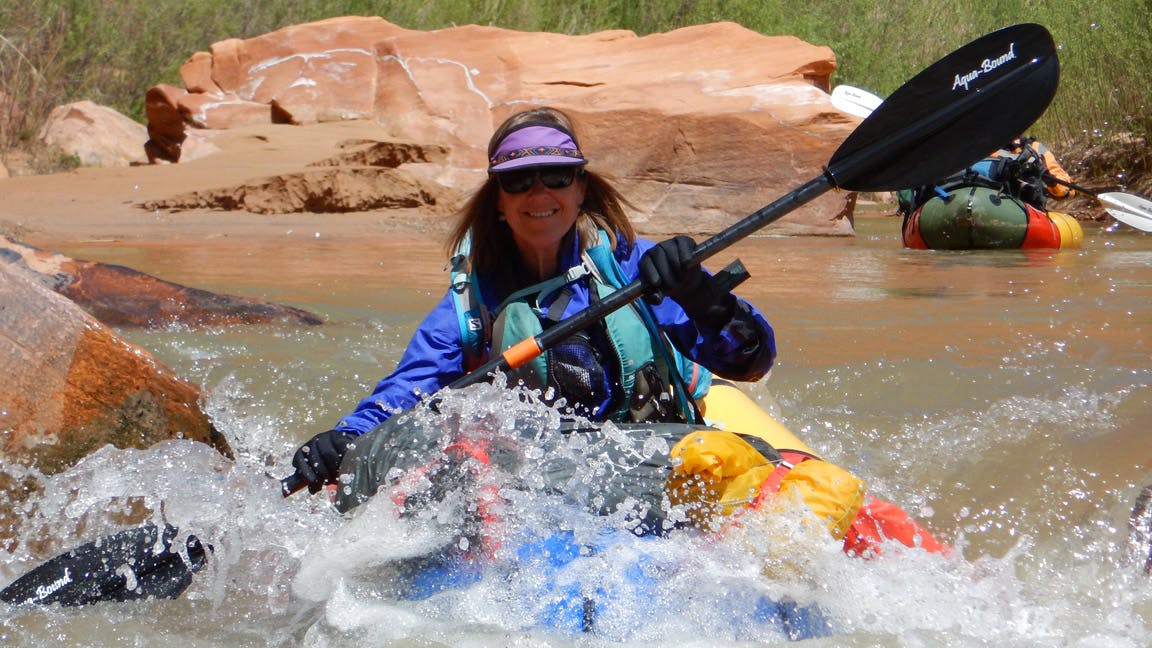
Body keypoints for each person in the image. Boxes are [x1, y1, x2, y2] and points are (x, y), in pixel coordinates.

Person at [291, 106, 777, 493]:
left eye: (556, 176)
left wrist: (703, 300)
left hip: (658, 448)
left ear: (581, 187)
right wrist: (347, 437)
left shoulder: (636, 265)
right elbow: (408, 391)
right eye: (519, 181)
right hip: (555, 476)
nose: (538, 192)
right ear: (499, 200)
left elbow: (753, 362)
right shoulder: (472, 305)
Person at [897, 134, 1074, 218]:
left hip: (1014, 213)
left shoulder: (1034, 149)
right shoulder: (959, 146)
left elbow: (1064, 191)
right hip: (955, 208)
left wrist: (1047, 178)